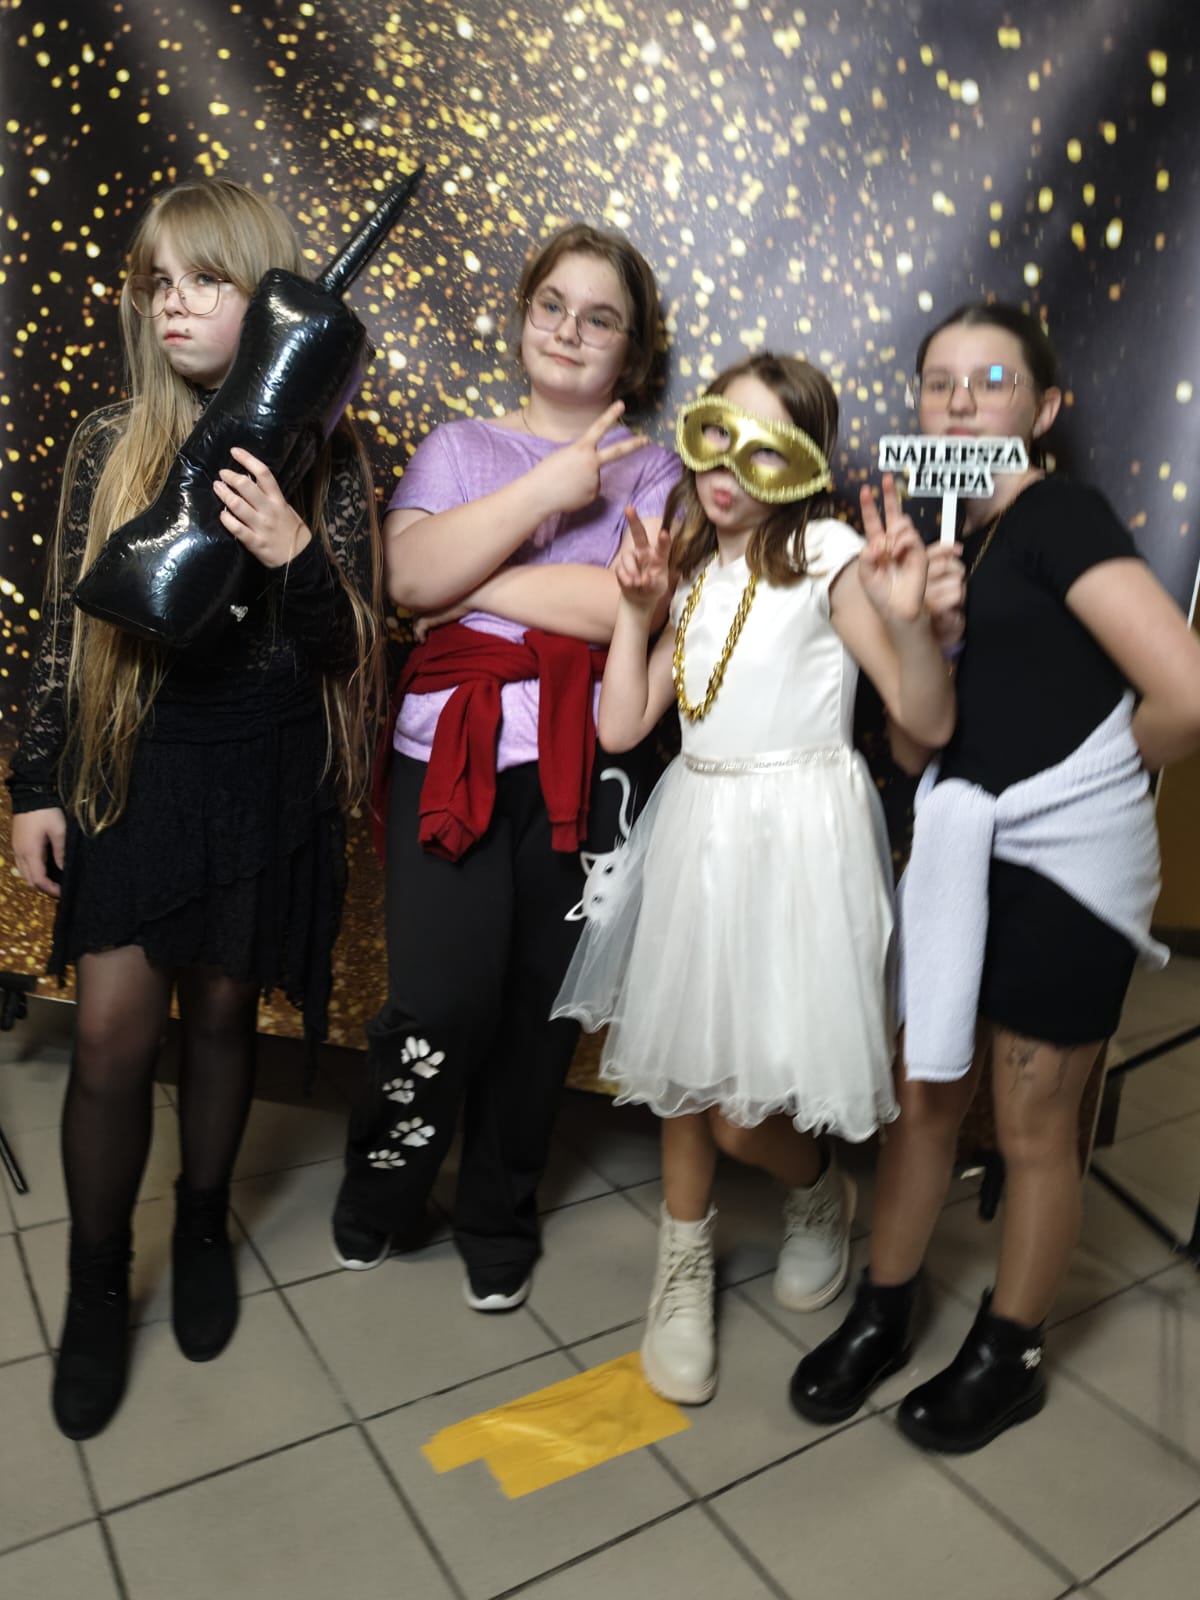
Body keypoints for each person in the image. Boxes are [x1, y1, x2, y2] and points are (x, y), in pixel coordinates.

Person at [6, 177, 382, 1440]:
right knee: (112, 1038)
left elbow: (349, 651)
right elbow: (62, 633)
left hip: (265, 772)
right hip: (137, 771)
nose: (173, 304)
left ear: (269, 298)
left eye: (205, 279)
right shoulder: (108, 442)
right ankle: (97, 1280)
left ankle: (209, 1220)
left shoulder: (331, 454)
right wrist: (35, 785)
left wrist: (293, 550)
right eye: (157, 283)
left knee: (223, 1016)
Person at [790, 301, 1200, 1452]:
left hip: (1071, 871)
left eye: (993, 380)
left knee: (1031, 1122)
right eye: (941, 382)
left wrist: (1081, 789)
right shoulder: (937, 545)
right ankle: (885, 1308)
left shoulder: (1057, 513)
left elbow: (1187, 694)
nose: (962, 401)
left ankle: (1008, 1351)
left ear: (1045, 407)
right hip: (961, 853)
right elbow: (917, 742)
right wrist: (913, 626)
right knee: (925, 1096)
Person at [552, 351, 957, 1403]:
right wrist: (636, 609)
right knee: (685, 1071)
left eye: (766, 449)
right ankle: (681, 1260)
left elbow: (924, 720)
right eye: (715, 435)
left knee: (744, 1106)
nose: (730, 467)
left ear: (806, 464)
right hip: (701, 829)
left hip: (799, 837)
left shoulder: (826, 552)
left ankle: (817, 1189)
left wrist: (910, 621)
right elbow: (622, 725)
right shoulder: (690, 568)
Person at [330, 223, 681, 1310]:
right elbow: (403, 581)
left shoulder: (657, 471)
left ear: (633, 352)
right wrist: (542, 496)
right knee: (438, 1005)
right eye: (552, 306)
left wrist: (465, 581)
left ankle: (497, 1211)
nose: (570, 330)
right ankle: (383, 1191)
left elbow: (623, 610)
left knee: (541, 1012)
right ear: (524, 317)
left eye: (600, 317)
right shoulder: (457, 447)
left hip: (587, 772)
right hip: (449, 757)